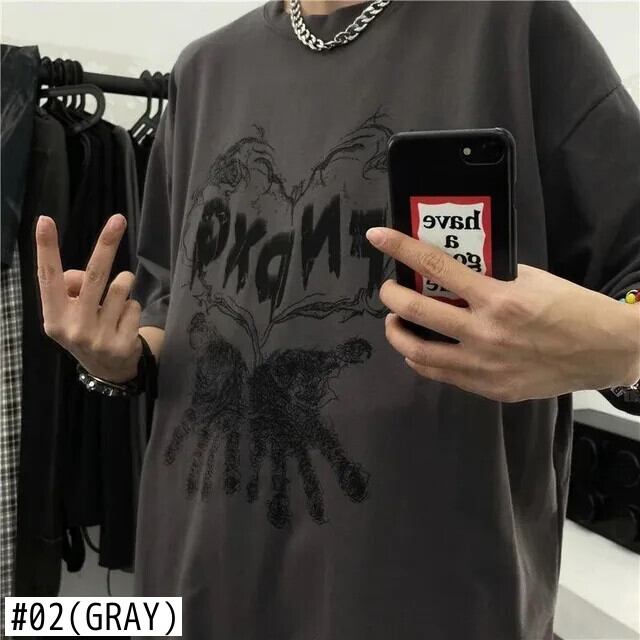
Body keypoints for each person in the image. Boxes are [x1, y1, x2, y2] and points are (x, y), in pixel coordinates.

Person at [35, 1, 640, 638]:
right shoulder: (204, 69)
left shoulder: (515, 26)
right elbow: (174, 305)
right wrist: (121, 357)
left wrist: (624, 348)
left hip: (429, 593)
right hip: (200, 576)